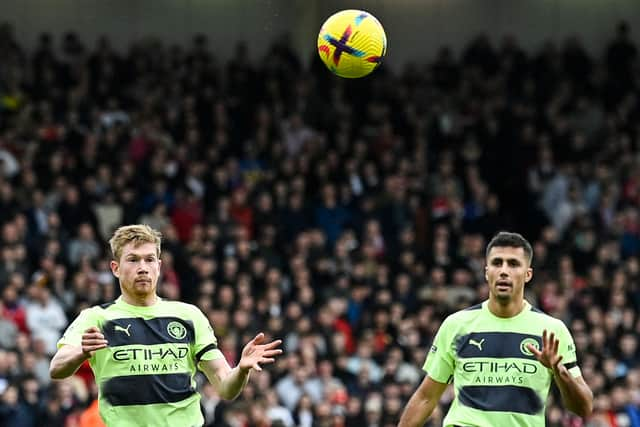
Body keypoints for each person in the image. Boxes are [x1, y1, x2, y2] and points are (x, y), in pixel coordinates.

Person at [50, 224, 283, 427]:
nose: (143, 267)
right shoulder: (96, 318)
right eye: (132, 259)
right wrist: (81, 352)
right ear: (115, 268)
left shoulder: (188, 315)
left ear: (159, 266)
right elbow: (57, 368)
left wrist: (241, 370)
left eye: (149, 259)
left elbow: (225, 388)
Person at [398, 231, 593, 427]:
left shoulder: (551, 330)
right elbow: (426, 398)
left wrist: (560, 372)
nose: (504, 271)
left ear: (528, 274)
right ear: (486, 272)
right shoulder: (457, 325)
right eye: (497, 263)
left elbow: (583, 408)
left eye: (513, 264)